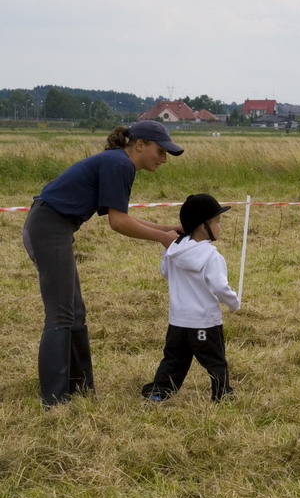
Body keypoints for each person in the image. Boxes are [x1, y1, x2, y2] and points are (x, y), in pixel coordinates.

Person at [22, 120, 184, 407]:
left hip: (52, 227)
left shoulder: (119, 162)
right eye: (160, 151)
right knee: (61, 315)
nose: (163, 159)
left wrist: (165, 227)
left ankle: (81, 389)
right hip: (48, 228)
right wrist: (162, 238)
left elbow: (124, 216)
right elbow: (118, 223)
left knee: (75, 312)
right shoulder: (119, 164)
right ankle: (55, 401)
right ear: (140, 145)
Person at [142, 193, 240, 402]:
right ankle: (222, 394)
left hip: (177, 322)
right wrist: (234, 301)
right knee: (215, 361)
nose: (220, 227)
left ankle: (159, 392)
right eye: (218, 222)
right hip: (205, 323)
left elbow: (165, 273)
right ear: (204, 226)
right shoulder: (212, 256)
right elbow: (220, 287)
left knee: (174, 359)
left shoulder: (173, 251)